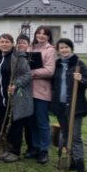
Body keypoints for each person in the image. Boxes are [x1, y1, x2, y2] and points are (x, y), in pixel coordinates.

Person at [0, 34, 33, 163]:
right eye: (2, 42)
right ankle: (7, 149)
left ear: (12, 43)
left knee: (15, 124)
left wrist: (16, 84)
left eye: (7, 42)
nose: (4, 44)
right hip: (0, 96)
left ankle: (15, 152)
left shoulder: (18, 57)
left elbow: (28, 74)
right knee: (3, 122)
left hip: (16, 97)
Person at [50, 38, 87, 172]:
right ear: (58, 50)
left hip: (76, 107)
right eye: (61, 48)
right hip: (60, 106)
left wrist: (81, 79)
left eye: (66, 47)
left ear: (71, 48)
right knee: (66, 134)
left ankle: (81, 168)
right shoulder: (57, 65)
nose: (64, 50)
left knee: (76, 137)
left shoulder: (79, 64)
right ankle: (70, 161)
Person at [28, 26, 56, 164]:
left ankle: (44, 150)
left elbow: (50, 71)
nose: (41, 36)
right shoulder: (31, 48)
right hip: (29, 91)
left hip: (42, 91)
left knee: (42, 122)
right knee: (32, 121)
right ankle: (35, 147)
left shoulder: (50, 50)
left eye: (44, 34)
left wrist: (32, 73)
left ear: (49, 36)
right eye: (39, 33)